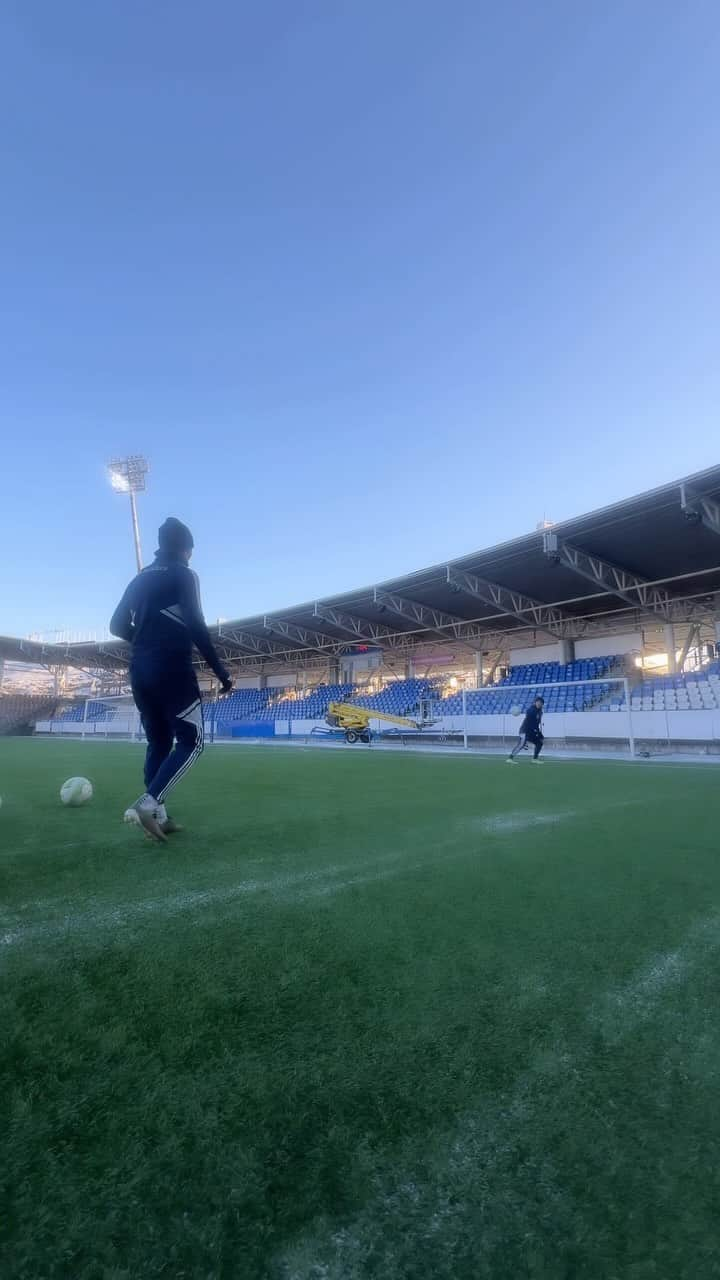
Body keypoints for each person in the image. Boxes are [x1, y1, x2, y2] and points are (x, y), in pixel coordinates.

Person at [110, 517, 233, 841]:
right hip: (172, 670)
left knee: (159, 742)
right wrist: (221, 672)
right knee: (192, 742)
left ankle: (160, 817)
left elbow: (116, 624)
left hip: (140, 670)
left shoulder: (139, 579)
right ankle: (147, 805)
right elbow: (195, 624)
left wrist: (144, 641)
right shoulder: (183, 573)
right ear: (185, 549)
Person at [508, 695, 545, 763]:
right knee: (521, 744)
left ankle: (535, 759)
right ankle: (510, 758)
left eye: (541, 703)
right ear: (535, 702)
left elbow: (537, 723)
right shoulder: (531, 710)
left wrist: (539, 733)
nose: (539, 703)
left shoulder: (540, 712)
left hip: (532, 731)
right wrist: (538, 732)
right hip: (525, 730)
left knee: (539, 742)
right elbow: (530, 719)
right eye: (538, 702)